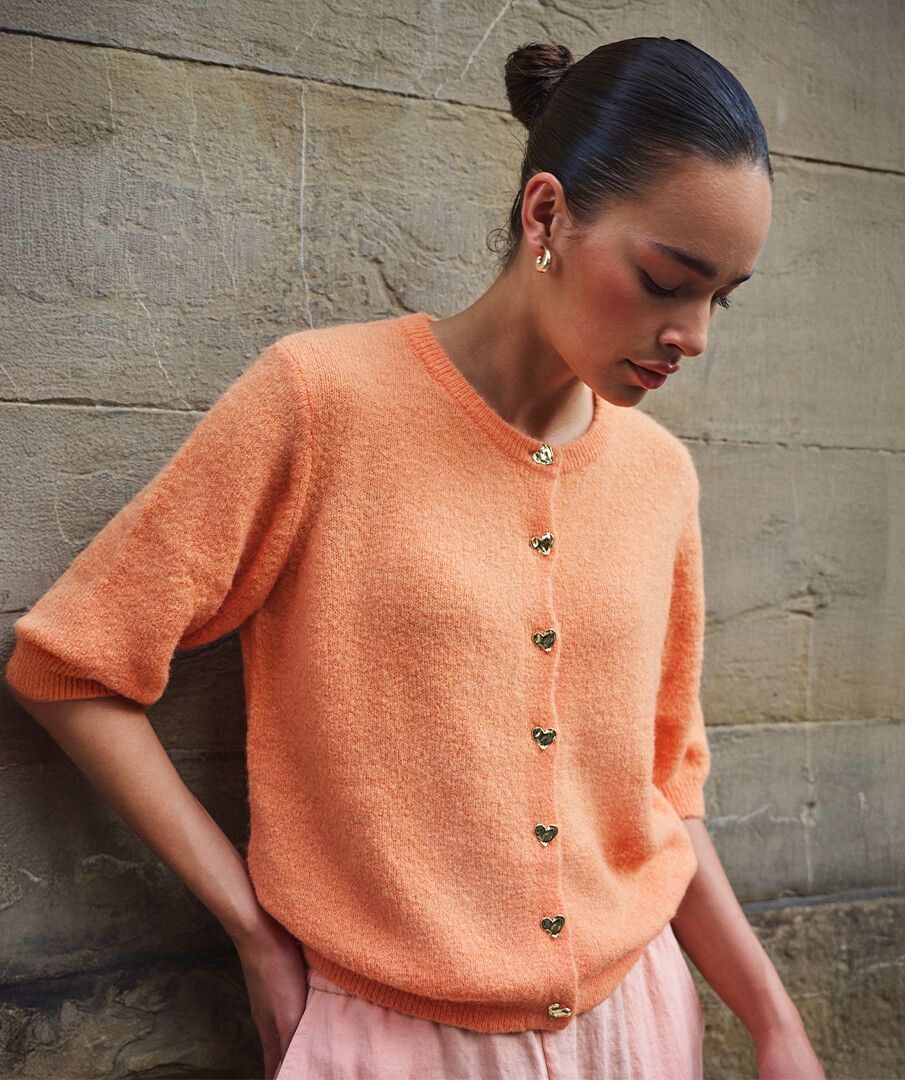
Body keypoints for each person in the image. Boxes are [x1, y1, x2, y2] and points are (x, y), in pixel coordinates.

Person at [4, 36, 826, 1080]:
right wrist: (253, 931)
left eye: (723, 296)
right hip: (392, 1040)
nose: (693, 334)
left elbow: (662, 794)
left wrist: (772, 1021)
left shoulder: (659, 477)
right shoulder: (323, 402)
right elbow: (69, 667)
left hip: (637, 1028)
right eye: (667, 280)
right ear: (544, 216)